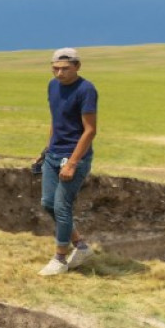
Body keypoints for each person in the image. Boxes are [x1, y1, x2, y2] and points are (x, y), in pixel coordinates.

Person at [38, 47, 97, 276]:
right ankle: (81, 247)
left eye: (65, 69)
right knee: (48, 204)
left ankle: (60, 259)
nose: (59, 74)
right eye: (55, 68)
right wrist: (46, 149)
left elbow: (90, 131)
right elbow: (56, 120)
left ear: (77, 66)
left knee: (62, 207)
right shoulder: (52, 86)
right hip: (53, 155)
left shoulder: (86, 90)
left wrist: (72, 163)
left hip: (74, 157)